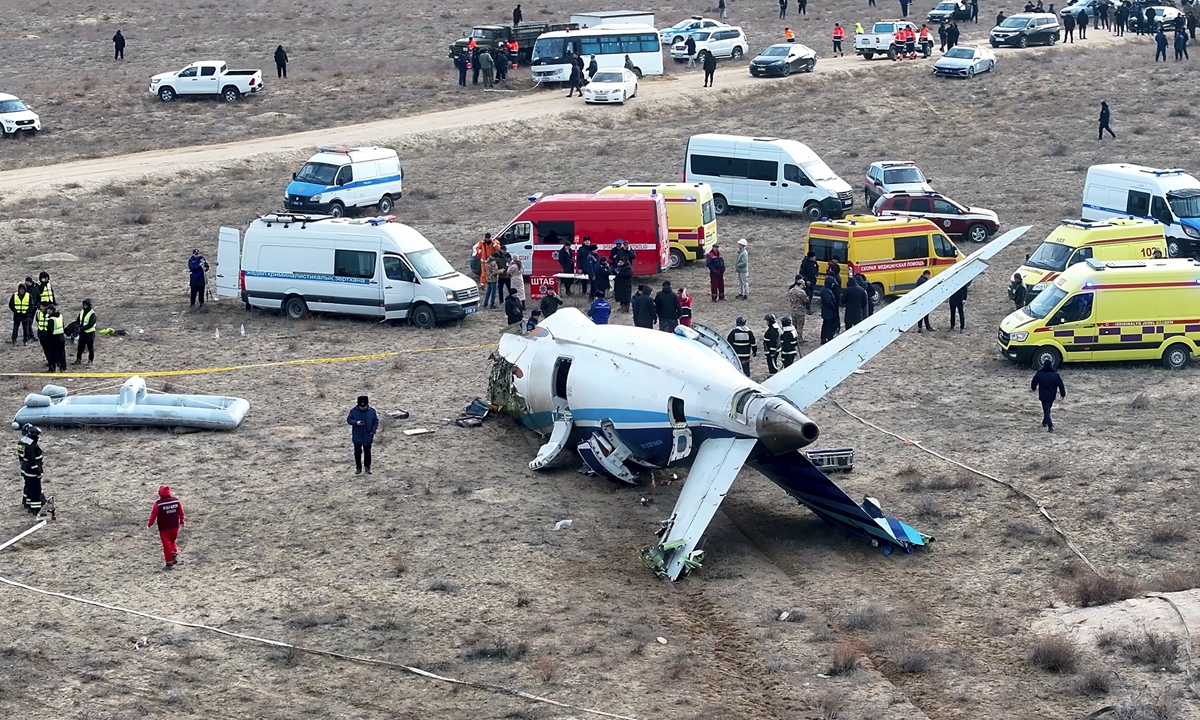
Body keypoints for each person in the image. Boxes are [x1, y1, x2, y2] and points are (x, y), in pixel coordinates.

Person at [147, 486, 185, 570]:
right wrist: (182, 521)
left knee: (166, 544)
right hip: (175, 526)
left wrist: (150, 524)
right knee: (172, 541)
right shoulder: (176, 500)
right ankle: (174, 554)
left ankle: (169, 562)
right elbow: (181, 512)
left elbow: (153, 515)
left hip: (164, 528)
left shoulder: (158, 503)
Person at [1031, 359, 1066, 431]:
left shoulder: (1040, 373)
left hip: (1043, 395)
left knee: (1046, 410)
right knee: (1048, 409)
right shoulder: (1055, 374)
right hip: (1052, 395)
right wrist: (1063, 393)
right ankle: (1045, 422)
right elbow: (1060, 384)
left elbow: (1034, 382)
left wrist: (1033, 388)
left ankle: (1050, 426)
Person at [347, 395, 378, 475]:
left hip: (368, 436)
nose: (363, 408)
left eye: (364, 406)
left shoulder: (372, 411)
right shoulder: (353, 411)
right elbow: (349, 420)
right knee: (357, 453)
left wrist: (373, 430)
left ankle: (367, 467)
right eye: (361, 406)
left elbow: (375, 421)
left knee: (367, 453)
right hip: (357, 436)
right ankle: (358, 468)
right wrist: (356, 422)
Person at [18, 425, 44, 517]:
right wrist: (38, 472)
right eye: (37, 435)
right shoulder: (31, 447)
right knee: (35, 490)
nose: (38, 437)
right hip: (32, 471)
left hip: (25, 468)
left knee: (28, 487)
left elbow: (21, 457)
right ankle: (36, 509)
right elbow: (33, 461)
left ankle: (27, 504)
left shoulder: (22, 443)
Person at [73, 298, 97, 365]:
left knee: (90, 348)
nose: (84, 306)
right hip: (82, 333)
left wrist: (82, 328)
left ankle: (90, 361)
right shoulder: (81, 312)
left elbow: (91, 324)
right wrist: (78, 327)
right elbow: (78, 320)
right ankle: (78, 359)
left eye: (86, 305)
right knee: (80, 347)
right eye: (84, 305)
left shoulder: (92, 314)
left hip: (90, 333)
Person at [45, 304, 66, 372]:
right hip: (62, 337)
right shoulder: (60, 316)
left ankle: (52, 368)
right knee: (62, 353)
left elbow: (49, 330)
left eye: (48, 310)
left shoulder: (51, 319)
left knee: (52, 354)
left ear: (51, 310)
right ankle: (62, 367)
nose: (47, 311)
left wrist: (48, 338)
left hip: (54, 338)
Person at [787, 275, 808, 341]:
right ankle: (799, 338)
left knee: (794, 325)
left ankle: (793, 337)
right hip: (800, 311)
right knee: (800, 325)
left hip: (793, 309)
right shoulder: (801, 292)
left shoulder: (791, 290)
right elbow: (806, 300)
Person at [820, 278, 840, 344]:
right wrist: (834, 308)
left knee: (826, 325)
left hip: (827, 312)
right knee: (828, 325)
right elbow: (828, 301)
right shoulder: (826, 291)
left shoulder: (825, 290)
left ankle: (824, 338)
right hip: (829, 312)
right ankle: (828, 337)